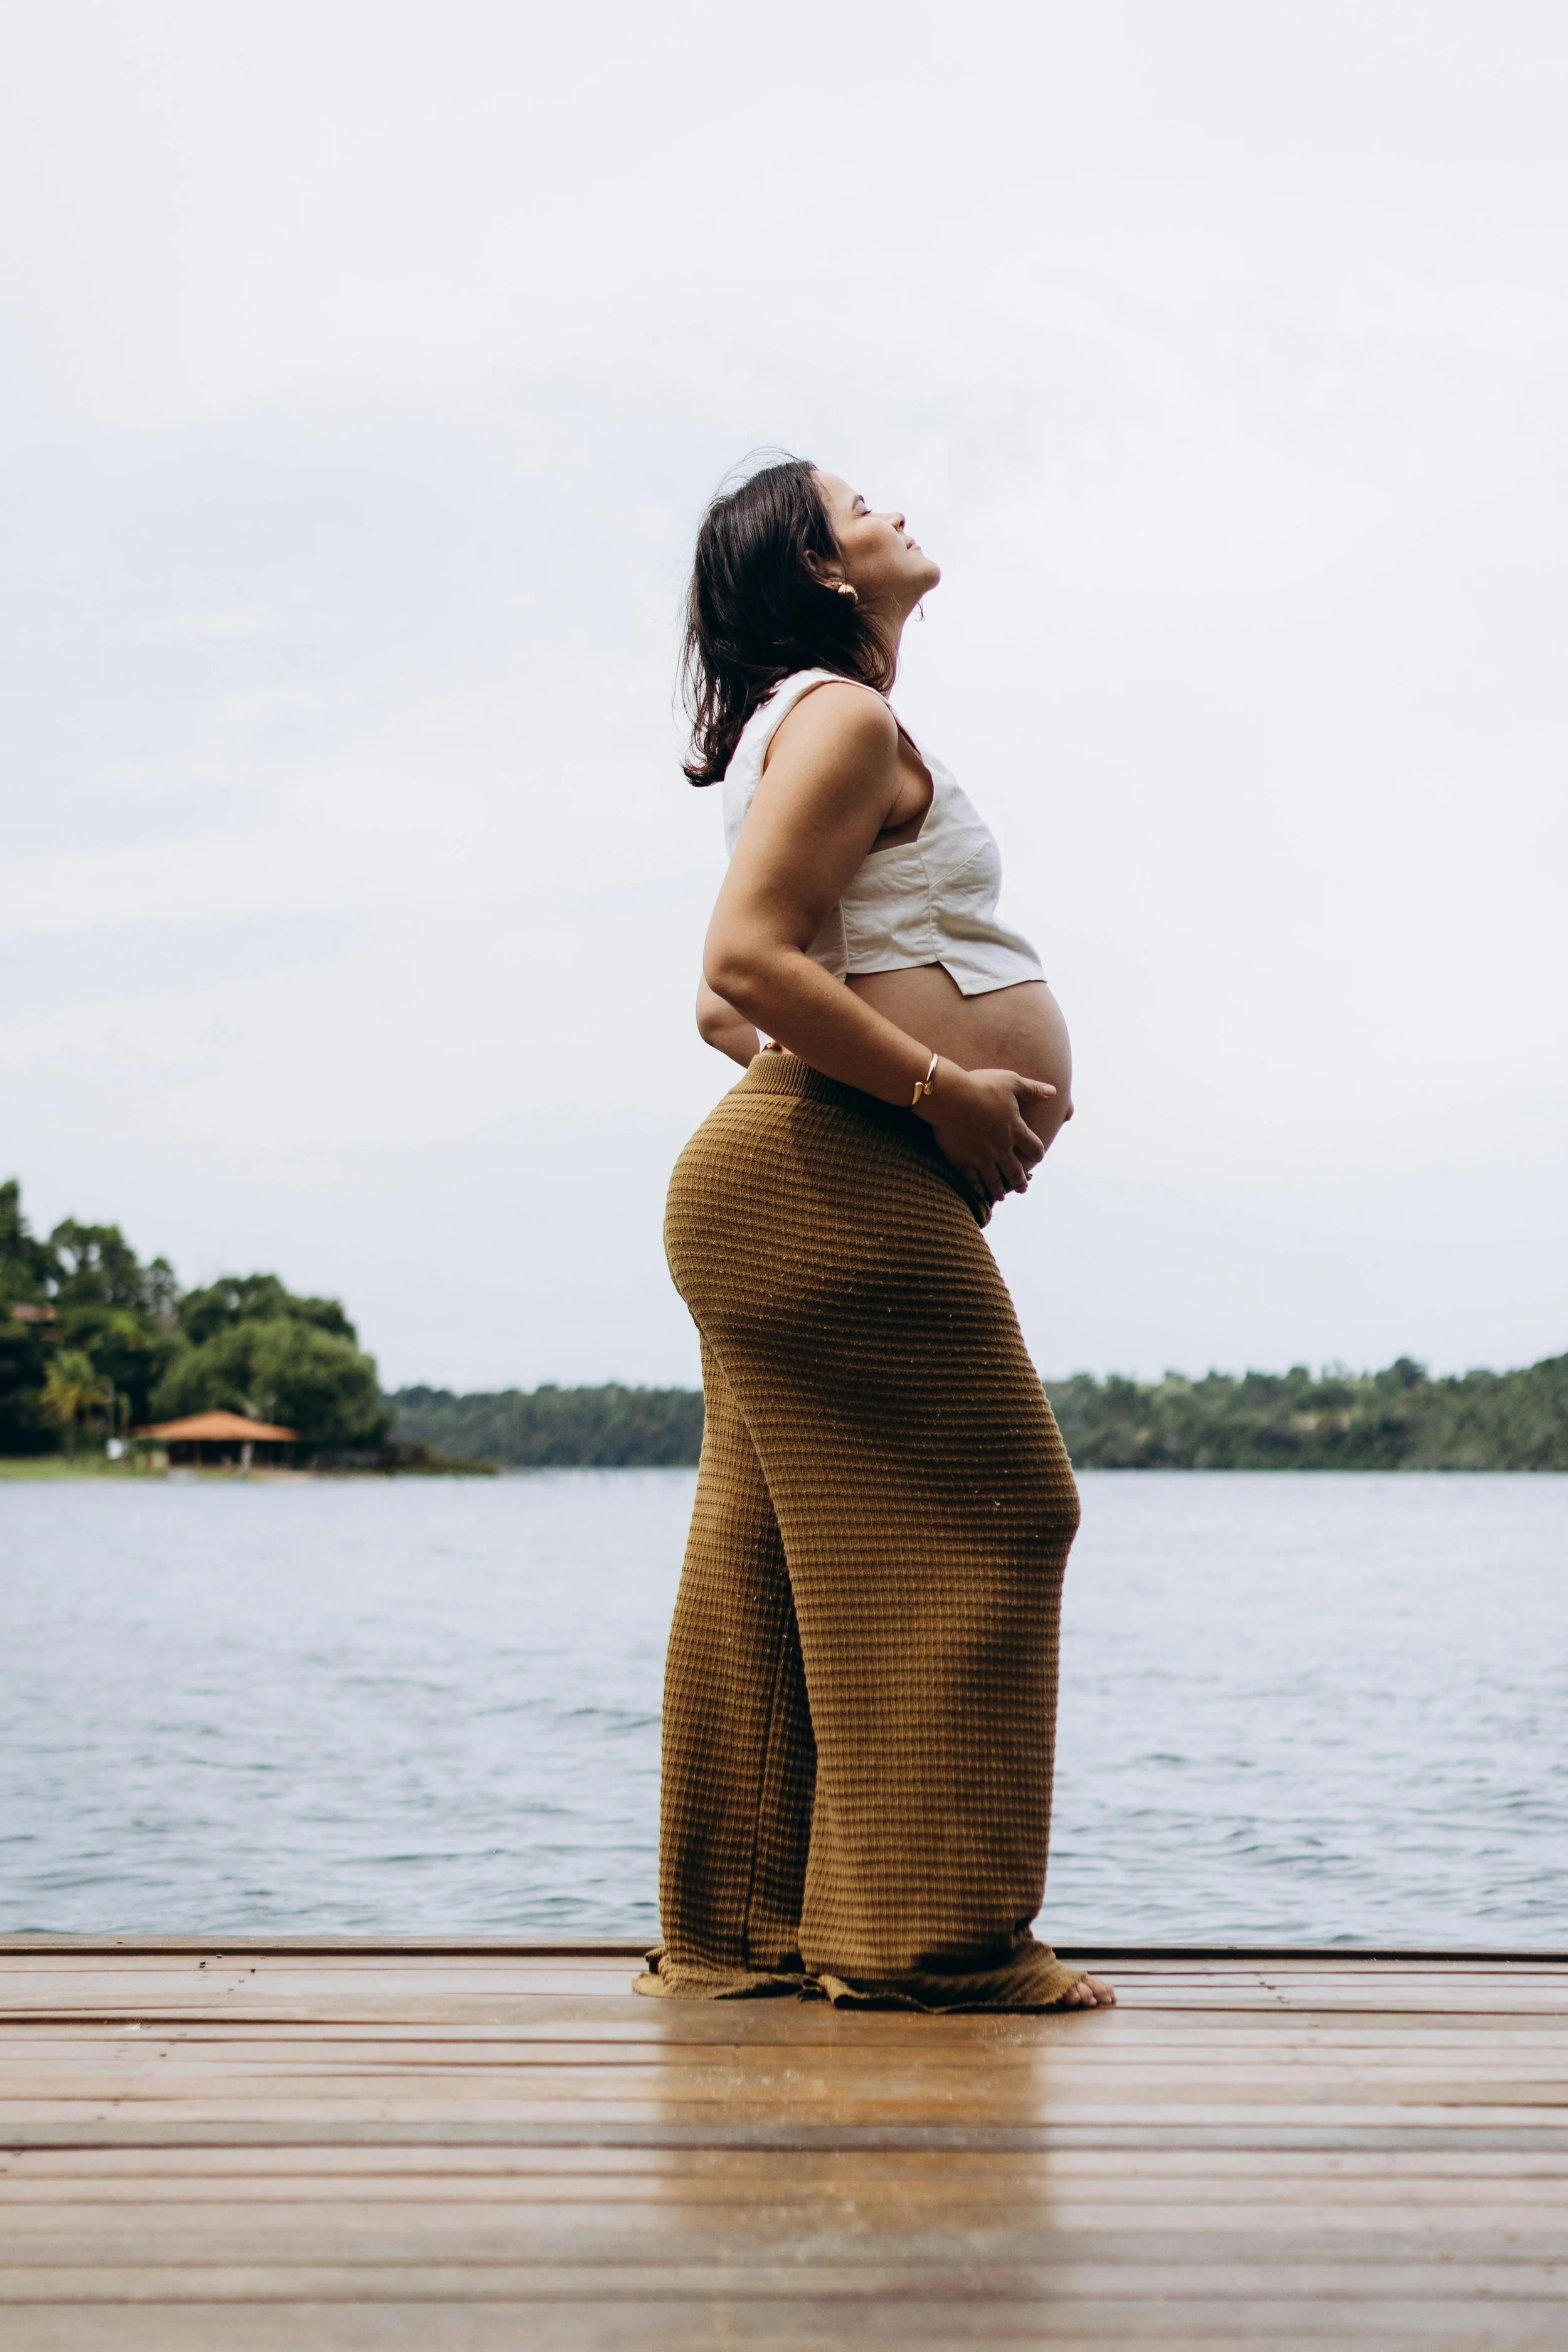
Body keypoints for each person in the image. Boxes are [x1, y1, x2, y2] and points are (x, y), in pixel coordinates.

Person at [637, 456, 1113, 2013]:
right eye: (854, 502)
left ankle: (744, 1937)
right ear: (821, 572)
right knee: (999, 1511)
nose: (891, 506)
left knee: (769, 1564)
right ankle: (932, 1945)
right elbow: (744, 962)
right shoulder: (840, 717)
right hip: (823, 1175)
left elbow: (726, 1001)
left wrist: (904, 1092)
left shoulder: (805, 732)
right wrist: (935, 1090)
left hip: (782, 1178)